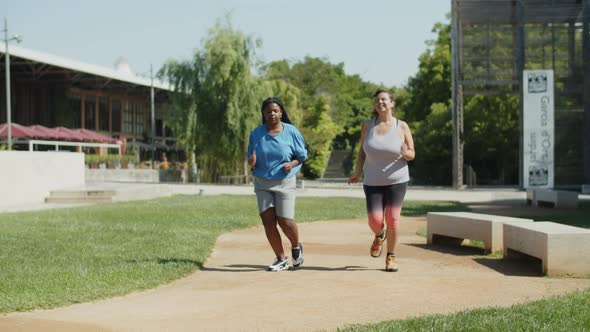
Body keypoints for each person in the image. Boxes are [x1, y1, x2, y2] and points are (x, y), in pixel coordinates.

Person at [348, 89, 415, 272]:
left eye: (384, 100)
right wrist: (357, 171)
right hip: (373, 181)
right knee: (374, 220)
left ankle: (391, 257)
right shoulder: (367, 126)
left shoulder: (402, 126)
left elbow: (412, 153)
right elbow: (362, 151)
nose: (381, 103)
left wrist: (405, 153)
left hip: (397, 181)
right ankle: (379, 235)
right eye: (378, 100)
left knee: (393, 219)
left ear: (392, 104)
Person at [247, 97, 308, 271]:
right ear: (263, 114)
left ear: (281, 112)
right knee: (268, 221)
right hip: (262, 181)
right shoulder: (256, 134)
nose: (272, 114)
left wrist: (292, 164)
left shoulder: (291, 131)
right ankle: (281, 258)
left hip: (284, 181)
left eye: (275, 110)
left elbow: (302, 155)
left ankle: (296, 247)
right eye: (268, 111)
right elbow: (251, 159)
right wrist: (251, 161)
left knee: (285, 220)